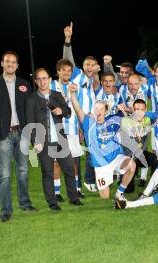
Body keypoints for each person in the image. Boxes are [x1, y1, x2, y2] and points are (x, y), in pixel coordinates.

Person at [0, 50, 37, 222]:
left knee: (23, 171)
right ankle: (6, 210)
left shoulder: (24, 84)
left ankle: (25, 203)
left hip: (21, 133)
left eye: (13, 62)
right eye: (7, 61)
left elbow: (29, 111)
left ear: (17, 65)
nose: (10, 64)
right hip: (2, 134)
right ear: (2, 63)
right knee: (4, 175)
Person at [69, 81, 137, 201]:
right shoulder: (88, 123)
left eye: (101, 109)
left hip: (116, 158)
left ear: (106, 111)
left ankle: (119, 193)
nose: (98, 111)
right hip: (101, 165)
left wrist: (125, 111)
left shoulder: (114, 119)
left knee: (132, 165)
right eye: (96, 109)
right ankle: (110, 179)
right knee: (105, 197)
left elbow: (134, 117)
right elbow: (78, 109)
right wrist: (73, 94)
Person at [26, 68, 83, 210]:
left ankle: (73, 198)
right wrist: (35, 141)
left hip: (60, 139)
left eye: (44, 78)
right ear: (36, 82)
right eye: (39, 79)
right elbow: (29, 122)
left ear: (50, 79)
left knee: (70, 169)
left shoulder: (57, 95)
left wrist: (61, 111)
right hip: (43, 141)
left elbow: (69, 113)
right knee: (48, 173)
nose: (42, 81)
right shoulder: (32, 98)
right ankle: (52, 202)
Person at [62, 22, 101, 192]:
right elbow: (68, 59)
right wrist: (68, 39)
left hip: (89, 121)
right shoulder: (77, 74)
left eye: (92, 65)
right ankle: (80, 185)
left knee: (92, 151)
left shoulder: (91, 80)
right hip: (78, 121)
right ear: (82, 66)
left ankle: (88, 180)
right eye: (87, 65)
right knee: (77, 155)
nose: (89, 67)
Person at [50, 59, 85, 202]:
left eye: (69, 70)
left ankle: (76, 190)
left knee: (74, 162)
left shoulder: (75, 87)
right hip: (56, 130)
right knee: (56, 162)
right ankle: (57, 192)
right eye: (63, 70)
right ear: (58, 71)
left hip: (72, 131)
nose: (66, 72)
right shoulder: (52, 86)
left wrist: (81, 128)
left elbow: (78, 109)